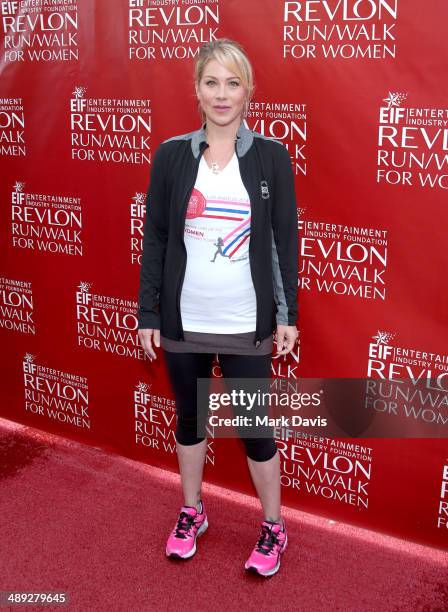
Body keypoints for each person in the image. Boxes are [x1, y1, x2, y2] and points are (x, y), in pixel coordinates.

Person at [137, 38, 298, 578]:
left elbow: (282, 243)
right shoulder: (171, 155)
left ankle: (274, 526)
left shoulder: (271, 157)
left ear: (248, 91)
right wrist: (150, 315)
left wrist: (287, 315)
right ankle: (192, 512)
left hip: (245, 323)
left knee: (255, 429)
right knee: (190, 422)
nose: (222, 93)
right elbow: (157, 238)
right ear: (197, 91)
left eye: (233, 82)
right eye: (212, 82)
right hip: (185, 321)